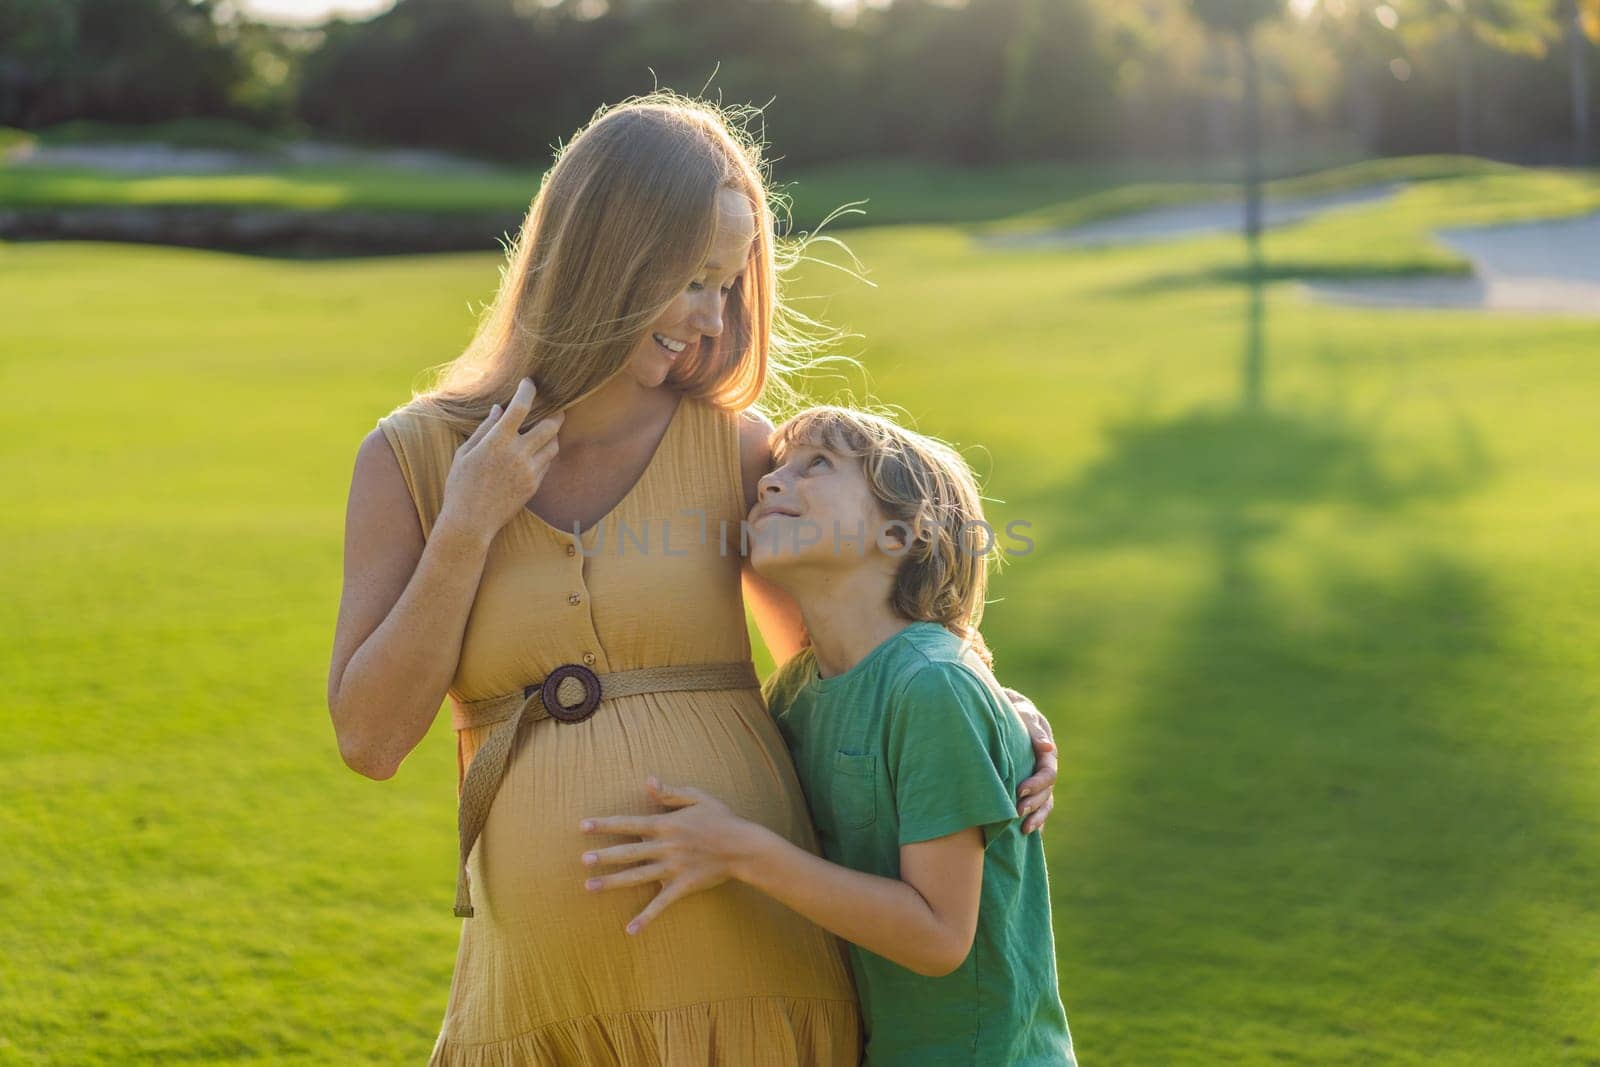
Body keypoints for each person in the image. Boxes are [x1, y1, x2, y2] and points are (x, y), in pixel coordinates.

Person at [327, 92, 1060, 1064]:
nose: (713, 320)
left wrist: (991, 703)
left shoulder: (734, 450)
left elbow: (855, 659)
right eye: (695, 279)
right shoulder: (409, 461)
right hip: (541, 1001)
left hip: (757, 982)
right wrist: (468, 520)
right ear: (607, 254)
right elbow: (371, 738)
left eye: (729, 285)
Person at [577, 406, 1078, 1064]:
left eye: (817, 465)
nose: (771, 483)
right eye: (776, 469)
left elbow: (937, 933)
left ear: (902, 532)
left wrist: (738, 851)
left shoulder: (934, 688)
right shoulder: (798, 694)